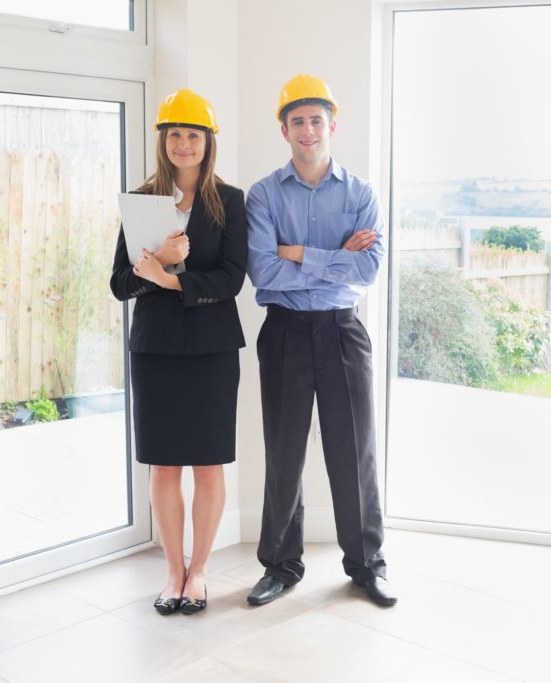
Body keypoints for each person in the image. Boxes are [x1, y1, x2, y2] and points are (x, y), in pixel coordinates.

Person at [244, 74, 396, 607]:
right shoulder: (263, 195)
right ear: (283, 129)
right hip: (284, 331)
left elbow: (368, 268)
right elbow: (263, 273)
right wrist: (334, 259)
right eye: (297, 121)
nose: (307, 130)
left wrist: (299, 253)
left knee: (354, 452)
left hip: (341, 331)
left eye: (316, 120)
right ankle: (281, 566)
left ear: (333, 124)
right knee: (283, 452)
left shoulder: (361, 195)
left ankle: (366, 565)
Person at [110, 88, 247, 616]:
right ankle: (173, 572)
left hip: (212, 349)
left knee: (208, 465)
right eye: (175, 135)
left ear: (207, 142)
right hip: (156, 350)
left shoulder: (229, 201)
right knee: (164, 466)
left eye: (193, 135)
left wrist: (169, 279)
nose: (184, 144)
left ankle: (201, 571)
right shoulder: (140, 200)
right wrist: (159, 261)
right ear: (163, 141)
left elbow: (232, 278)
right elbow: (121, 284)